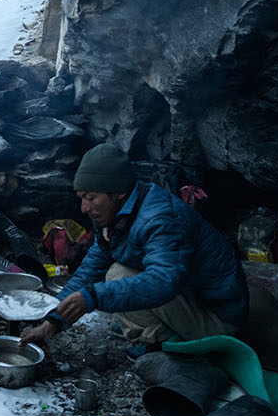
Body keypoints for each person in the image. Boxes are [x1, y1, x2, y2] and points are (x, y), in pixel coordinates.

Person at [19, 144, 248, 350]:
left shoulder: (160, 219)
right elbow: (88, 273)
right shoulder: (113, 218)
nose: (83, 208)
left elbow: (163, 282)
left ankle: (164, 343)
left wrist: (93, 297)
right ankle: (158, 329)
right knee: (113, 275)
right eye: (81, 198)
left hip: (217, 317)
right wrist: (51, 324)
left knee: (117, 275)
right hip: (190, 296)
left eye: (90, 197)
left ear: (119, 193)